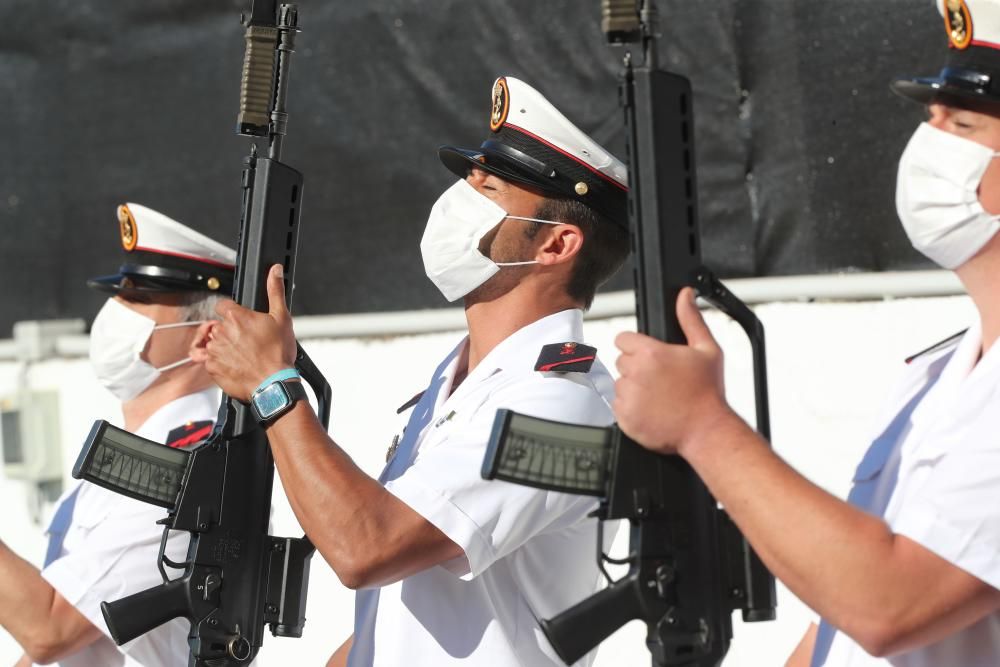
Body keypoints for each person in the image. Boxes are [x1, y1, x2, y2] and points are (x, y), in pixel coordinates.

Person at [612, 1, 1000, 665]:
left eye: (961, 122)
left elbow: (891, 602)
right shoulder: (932, 378)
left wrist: (702, 425)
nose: (930, 139)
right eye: (930, 116)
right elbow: (842, 626)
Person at [195, 76, 631, 667]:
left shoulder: (560, 403)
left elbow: (365, 547)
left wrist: (274, 387)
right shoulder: (462, 381)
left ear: (556, 245)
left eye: (490, 188)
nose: (462, 197)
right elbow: (406, 610)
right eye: (468, 180)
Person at [0, 203, 236, 666]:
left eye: (140, 300)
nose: (115, 312)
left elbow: (50, 628)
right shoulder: (139, 452)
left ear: (204, 338)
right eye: (121, 294)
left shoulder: (186, 466)